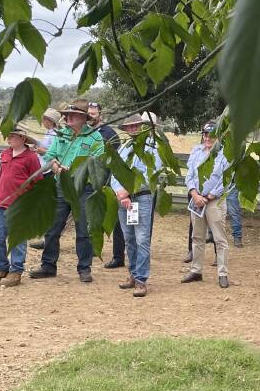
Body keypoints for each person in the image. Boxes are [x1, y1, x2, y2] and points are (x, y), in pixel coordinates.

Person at [28, 99, 103, 283]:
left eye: (72, 115)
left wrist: (77, 170)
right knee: (52, 228)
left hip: (83, 189)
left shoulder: (95, 138)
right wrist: (55, 166)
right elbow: (50, 155)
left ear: (83, 118)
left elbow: (98, 162)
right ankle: (48, 266)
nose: (67, 118)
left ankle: (84, 268)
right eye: (67, 115)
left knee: (83, 230)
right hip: (61, 186)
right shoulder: (61, 134)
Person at [0, 127, 43, 287]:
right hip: (0, 202)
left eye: (13, 136)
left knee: (17, 238)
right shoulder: (6, 154)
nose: (9, 139)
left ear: (23, 139)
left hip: (20, 205)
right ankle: (1, 268)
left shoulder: (31, 158)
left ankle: (16, 271)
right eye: (8, 136)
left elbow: (38, 181)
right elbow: (2, 175)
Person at [112, 113, 163, 297]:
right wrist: (120, 192)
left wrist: (128, 190)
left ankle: (141, 279)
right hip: (123, 200)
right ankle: (133, 274)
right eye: (129, 126)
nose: (133, 129)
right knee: (129, 239)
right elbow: (114, 173)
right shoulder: (123, 148)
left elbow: (151, 174)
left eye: (136, 125)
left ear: (142, 126)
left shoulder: (152, 147)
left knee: (142, 239)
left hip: (141, 197)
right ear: (125, 129)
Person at [181, 121, 231, 288]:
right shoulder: (196, 152)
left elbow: (226, 180)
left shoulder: (224, 154)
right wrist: (194, 194)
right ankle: (196, 270)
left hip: (214, 201)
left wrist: (208, 197)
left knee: (219, 238)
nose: (208, 137)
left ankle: (223, 273)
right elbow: (189, 176)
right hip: (196, 200)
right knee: (197, 236)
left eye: (212, 134)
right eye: (206, 134)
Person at [89, 101, 127, 270]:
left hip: (108, 183)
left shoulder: (109, 134)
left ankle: (118, 256)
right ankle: (92, 249)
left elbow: (117, 160)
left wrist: (113, 183)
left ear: (100, 115)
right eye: (88, 114)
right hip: (91, 182)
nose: (91, 117)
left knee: (115, 219)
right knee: (92, 217)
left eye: (93, 114)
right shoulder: (85, 133)